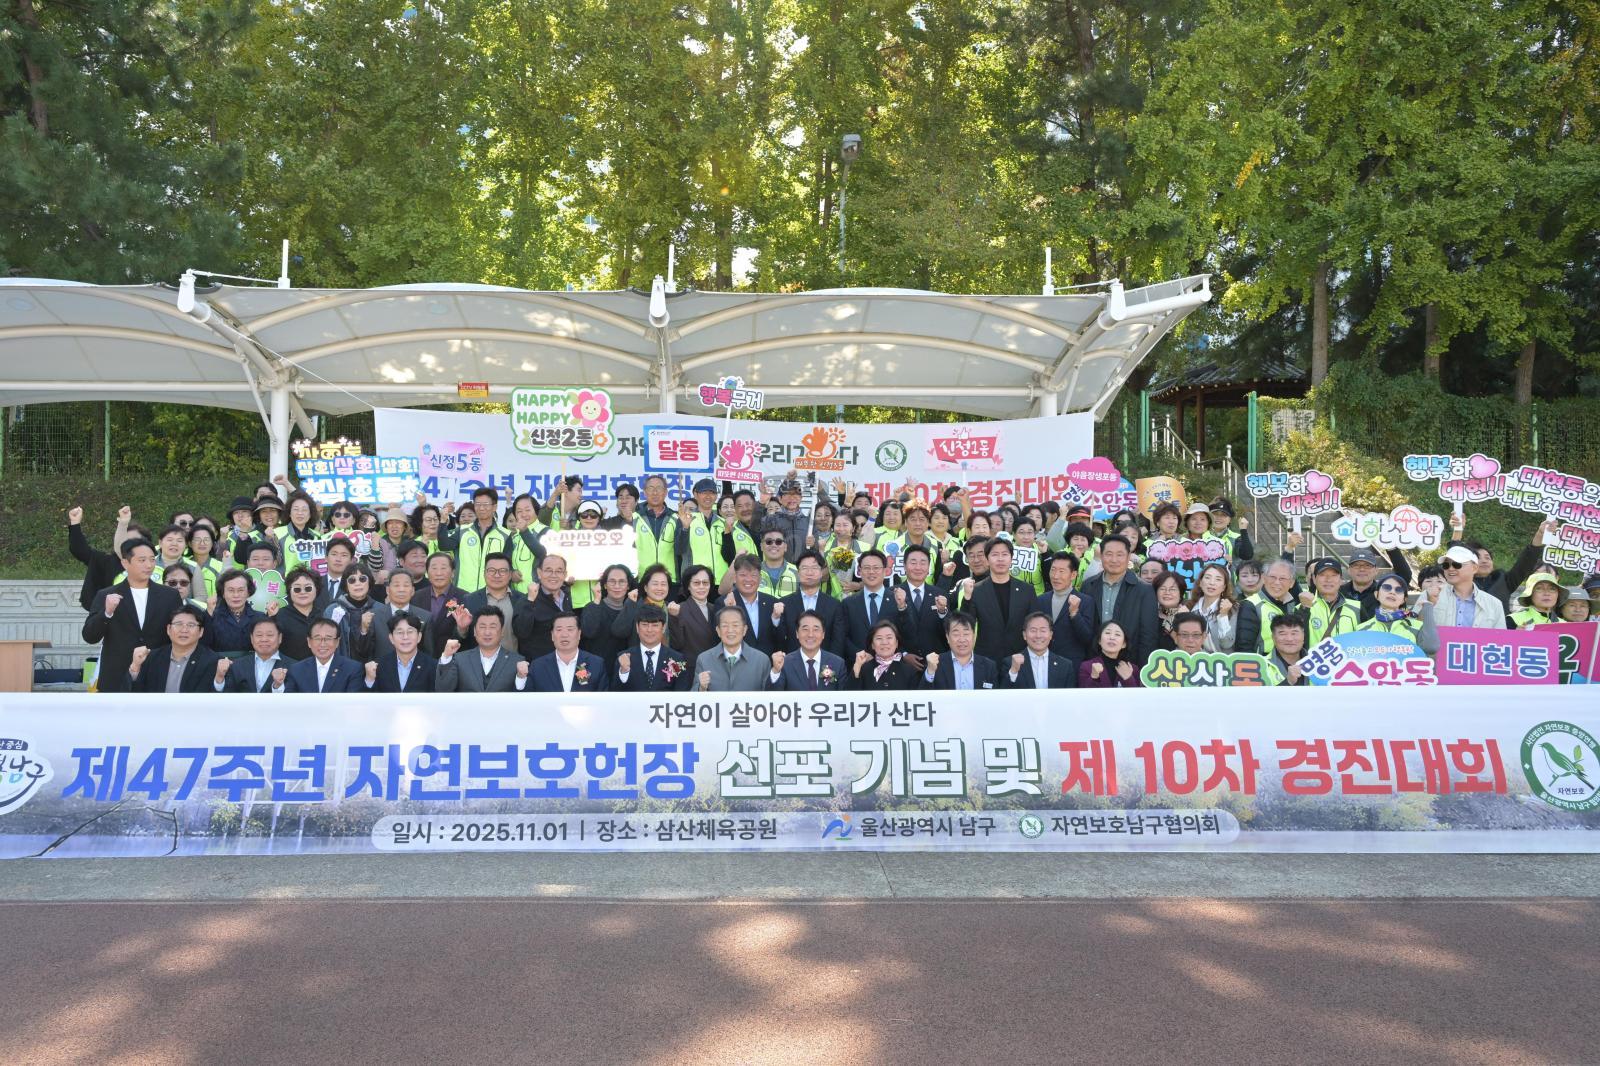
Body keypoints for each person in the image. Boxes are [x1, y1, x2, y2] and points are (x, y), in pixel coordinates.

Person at [83, 538, 182, 693]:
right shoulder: (106, 595)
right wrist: (106, 613)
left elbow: (178, 632)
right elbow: (90, 636)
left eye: (152, 560)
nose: (149, 565)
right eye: (142, 560)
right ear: (125, 563)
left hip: (158, 674)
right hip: (117, 677)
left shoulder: (170, 596)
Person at [1079, 534, 1159, 665]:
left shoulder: (1144, 590)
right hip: (1094, 662)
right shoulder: (1088, 586)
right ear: (1102, 556)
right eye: (1109, 554)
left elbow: (1148, 636)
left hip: (1129, 663)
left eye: (1120, 555)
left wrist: (1141, 669)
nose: (1114, 560)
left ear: (1128, 557)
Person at [127, 605, 224, 693]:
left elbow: (218, 700)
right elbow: (132, 695)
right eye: (178, 624)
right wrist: (135, 667)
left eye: (191, 625)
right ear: (168, 629)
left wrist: (219, 680)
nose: (184, 630)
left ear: (201, 632)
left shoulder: (213, 662)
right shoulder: (152, 658)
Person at [968, 537, 1032, 664]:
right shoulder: (976, 590)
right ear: (987, 560)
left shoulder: (1027, 590)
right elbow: (967, 622)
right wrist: (966, 598)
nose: (1000, 559)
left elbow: (1033, 623)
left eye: (1005, 554)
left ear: (1012, 558)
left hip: (1019, 657)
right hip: (987, 658)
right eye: (995, 555)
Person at [436, 610, 530, 692]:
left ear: (502, 632)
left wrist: (521, 677)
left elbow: (523, 700)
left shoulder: (516, 661)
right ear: (474, 632)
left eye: (493, 627)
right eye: (482, 627)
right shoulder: (460, 659)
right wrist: (446, 657)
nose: (487, 632)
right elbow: (442, 690)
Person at [776, 549, 846, 656]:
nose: (809, 572)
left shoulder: (834, 605)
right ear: (798, 573)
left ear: (821, 573)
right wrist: (775, 619)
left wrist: (829, 664)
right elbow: (779, 639)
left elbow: (838, 642)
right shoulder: (784, 603)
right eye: (804, 568)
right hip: (793, 662)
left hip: (825, 664)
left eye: (814, 568)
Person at [442, 486, 510, 594]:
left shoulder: (505, 535)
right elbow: (444, 545)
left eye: (485, 504)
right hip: (463, 593)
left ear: (494, 507)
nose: (481, 508)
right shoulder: (462, 531)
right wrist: (442, 522)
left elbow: (509, 567)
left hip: (492, 594)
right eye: (477, 504)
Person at [1423, 544, 1506, 631]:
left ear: (1474, 568)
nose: (1450, 569)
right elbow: (1415, 630)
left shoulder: (1494, 604)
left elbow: (1500, 637)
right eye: (1446, 565)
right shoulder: (1429, 595)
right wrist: (1428, 605)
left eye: (1457, 564)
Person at [891, 543, 948, 666]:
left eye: (923, 563)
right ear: (904, 566)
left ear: (929, 568)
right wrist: (902, 654)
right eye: (913, 562)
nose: (918, 567)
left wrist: (942, 612)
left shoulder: (940, 594)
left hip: (936, 664)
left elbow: (947, 631)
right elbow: (887, 629)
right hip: (902, 666)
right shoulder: (891, 594)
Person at [840, 549, 903, 660]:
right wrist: (859, 655)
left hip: (892, 663)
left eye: (876, 568)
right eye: (867, 568)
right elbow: (843, 637)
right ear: (860, 571)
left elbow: (905, 632)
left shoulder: (897, 600)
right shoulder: (848, 603)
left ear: (885, 571)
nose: (871, 572)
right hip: (858, 664)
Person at [1035, 552, 1095, 668]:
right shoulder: (1041, 600)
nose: (1056, 576)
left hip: (1071, 665)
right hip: (1042, 663)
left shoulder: (1086, 601)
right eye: (1053, 570)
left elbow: (1087, 638)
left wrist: (1075, 614)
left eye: (1062, 571)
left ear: (1073, 575)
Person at [614, 604, 693, 692]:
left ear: (663, 628)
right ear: (637, 627)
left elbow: (682, 693)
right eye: (645, 625)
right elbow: (614, 693)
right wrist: (624, 671)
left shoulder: (677, 659)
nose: (649, 630)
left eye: (655, 625)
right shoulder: (624, 657)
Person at [694, 605, 773, 691]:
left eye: (735, 625)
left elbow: (770, 696)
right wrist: (701, 688)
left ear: (744, 630)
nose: (730, 630)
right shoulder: (704, 659)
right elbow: (692, 696)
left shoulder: (762, 661)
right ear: (718, 631)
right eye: (725, 625)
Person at [766, 610, 847, 691]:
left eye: (816, 629)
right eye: (805, 629)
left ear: (823, 634)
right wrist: (775, 672)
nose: (810, 635)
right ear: (797, 634)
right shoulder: (785, 663)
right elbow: (773, 696)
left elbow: (845, 696)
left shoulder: (837, 663)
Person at [1357, 574, 1440, 653]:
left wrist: (1428, 606)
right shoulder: (1362, 629)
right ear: (1376, 594)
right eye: (1387, 587)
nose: (1392, 592)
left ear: (1404, 599)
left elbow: (1431, 647)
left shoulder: (1416, 627)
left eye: (1399, 590)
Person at [528, 612, 608, 692]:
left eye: (570, 629)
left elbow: (603, 697)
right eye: (559, 630)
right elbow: (527, 697)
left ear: (579, 634)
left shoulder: (596, 664)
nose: (564, 635)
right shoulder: (537, 666)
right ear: (552, 635)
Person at [515, 553, 574, 660]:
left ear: (565, 574)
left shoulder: (568, 597)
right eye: (548, 570)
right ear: (539, 573)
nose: (553, 575)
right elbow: (521, 632)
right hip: (538, 665)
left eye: (559, 571)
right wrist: (530, 602)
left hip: (565, 662)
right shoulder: (527, 600)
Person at [722, 553, 783, 655]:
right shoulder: (724, 603)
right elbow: (720, 639)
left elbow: (781, 639)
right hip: (738, 662)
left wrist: (776, 619)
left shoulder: (772, 603)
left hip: (767, 661)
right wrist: (730, 611)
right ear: (735, 577)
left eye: (753, 575)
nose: (748, 579)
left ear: (760, 578)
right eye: (743, 575)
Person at [284, 618, 366, 693]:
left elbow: (352, 702)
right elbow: (289, 700)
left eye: (328, 638)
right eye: (317, 638)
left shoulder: (353, 669)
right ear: (309, 642)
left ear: (337, 642)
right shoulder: (296, 670)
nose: (322, 644)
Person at [922, 613, 999, 690]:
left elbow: (997, 696)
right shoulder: (935, 663)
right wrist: (930, 672)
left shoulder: (989, 667)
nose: (962, 640)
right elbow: (922, 694)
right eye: (956, 634)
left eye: (966, 634)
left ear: (974, 636)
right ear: (947, 637)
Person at [364, 613, 438, 693]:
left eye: (410, 632)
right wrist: (369, 680)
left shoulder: (433, 666)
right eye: (399, 632)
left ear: (419, 637)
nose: (405, 637)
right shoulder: (378, 666)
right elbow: (369, 698)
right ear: (391, 638)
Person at [1002, 612, 1077, 689]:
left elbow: (1070, 695)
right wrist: (1013, 671)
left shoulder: (1065, 666)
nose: (1038, 635)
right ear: (1024, 635)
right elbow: (1002, 693)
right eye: (1033, 630)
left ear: (1051, 635)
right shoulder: (1010, 663)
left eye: (1043, 631)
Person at [580, 563, 636, 666]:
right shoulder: (593, 606)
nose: (617, 586)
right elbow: (588, 632)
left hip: (623, 668)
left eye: (622, 581)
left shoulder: (632, 608)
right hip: (595, 668)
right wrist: (596, 600)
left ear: (628, 586)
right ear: (605, 585)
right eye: (612, 581)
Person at [324, 563, 381, 661]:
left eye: (362, 579)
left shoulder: (380, 609)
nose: (357, 583)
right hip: (342, 667)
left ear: (369, 582)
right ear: (346, 585)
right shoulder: (332, 610)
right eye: (352, 580)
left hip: (375, 667)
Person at [219, 617, 291, 693]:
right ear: (252, 638)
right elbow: (226, 695)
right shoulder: (236, 665)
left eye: (270, 635)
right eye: (259, 635)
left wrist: (277, 686)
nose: (264, 639)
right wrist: (220, 677)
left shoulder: (293, 667)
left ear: (280, 638)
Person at [847, 619, 922, 690]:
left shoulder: (909, 671)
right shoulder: (863, 670)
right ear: (872, 645)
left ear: (897, 643)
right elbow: (848, 696)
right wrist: (857, 668)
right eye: (879, 638)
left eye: (889, 637)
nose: (884, 642)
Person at [1248, 559, 1301, 656]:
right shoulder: (1251, 605)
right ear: (1264, 578)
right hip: (1262, 663)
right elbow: (1245, 647)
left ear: (1291, 583)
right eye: (1272, 577)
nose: (1277, 582)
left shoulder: (1295, 605)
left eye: (1282, 578)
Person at [669, 563, 720, 665]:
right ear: (688, 586)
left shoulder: (716, 608)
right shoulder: (679, 609)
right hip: (692, 668)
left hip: (716, 666)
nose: (701, 587)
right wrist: (674, 618)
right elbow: (676, 645)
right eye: (696, 583)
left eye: (705, 583)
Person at [1304, 558, 1362, 645]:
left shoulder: (1357, 608)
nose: (1328, 580)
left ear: (1341, 580)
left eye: (1334, 575)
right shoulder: (1304, 607)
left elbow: (1366, 640)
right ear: (1314, 579)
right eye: (1322, 575)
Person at [1185, 562, 1241, 652]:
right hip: (1194, 659)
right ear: (1200, 583)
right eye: (1207, 578)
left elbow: (1227, 644)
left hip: (1221, 660)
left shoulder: (1232, 608)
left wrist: (1223, 615)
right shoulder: (1189, 607)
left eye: (1218, 579)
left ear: (1224, 587)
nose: (1212, 583)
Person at [274, 568, 324, 661]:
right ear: (289, 591)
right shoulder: (279, 616)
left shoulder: (324, 615)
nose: (302, 592)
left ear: (316, 590)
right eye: (297, 589)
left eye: (308, 588)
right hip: (288, 668)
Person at [413, 551, 469, 633]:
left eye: (443, 568)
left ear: (453, 573)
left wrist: (462, 629)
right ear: (427, 573)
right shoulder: (416, 597)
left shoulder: (465, 598)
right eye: (434, 568)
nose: (438, 573)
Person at [1078, 621, 1142, 688]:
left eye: (1117, 634)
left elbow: (1137, 694)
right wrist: (1094, 677)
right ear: (1099, 641)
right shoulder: (1086, 666)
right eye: (1107, 633)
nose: (1112, 637)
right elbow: (1084, 694)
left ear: (1124, 644)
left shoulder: (1132, 669)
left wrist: (1128, 678)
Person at [762, 478, 809, 563]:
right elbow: (755, 527)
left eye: (796, 494)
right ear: (779, 498)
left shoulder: (808, 522)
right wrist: (760, 503)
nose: (792, 498)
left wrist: (813, 544)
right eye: (787, 495)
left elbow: (815, 551)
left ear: (801, 498)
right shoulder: (771, 520)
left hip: (803, 569)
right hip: (779, 569)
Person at [1265, 615, 1311, 686]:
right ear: (1273, 637)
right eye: (1283, 634)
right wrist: (1288, 682)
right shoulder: (1262, 666)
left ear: (1303, 636)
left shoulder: (1318, 663)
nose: (1289, 639)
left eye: (1294, 633)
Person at [1152, 571, 1186, 651]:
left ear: (1181, 594)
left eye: (1172, 589)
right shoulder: (1149, 616)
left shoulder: (1189, 617)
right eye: (1162, 588)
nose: (1167, 592)